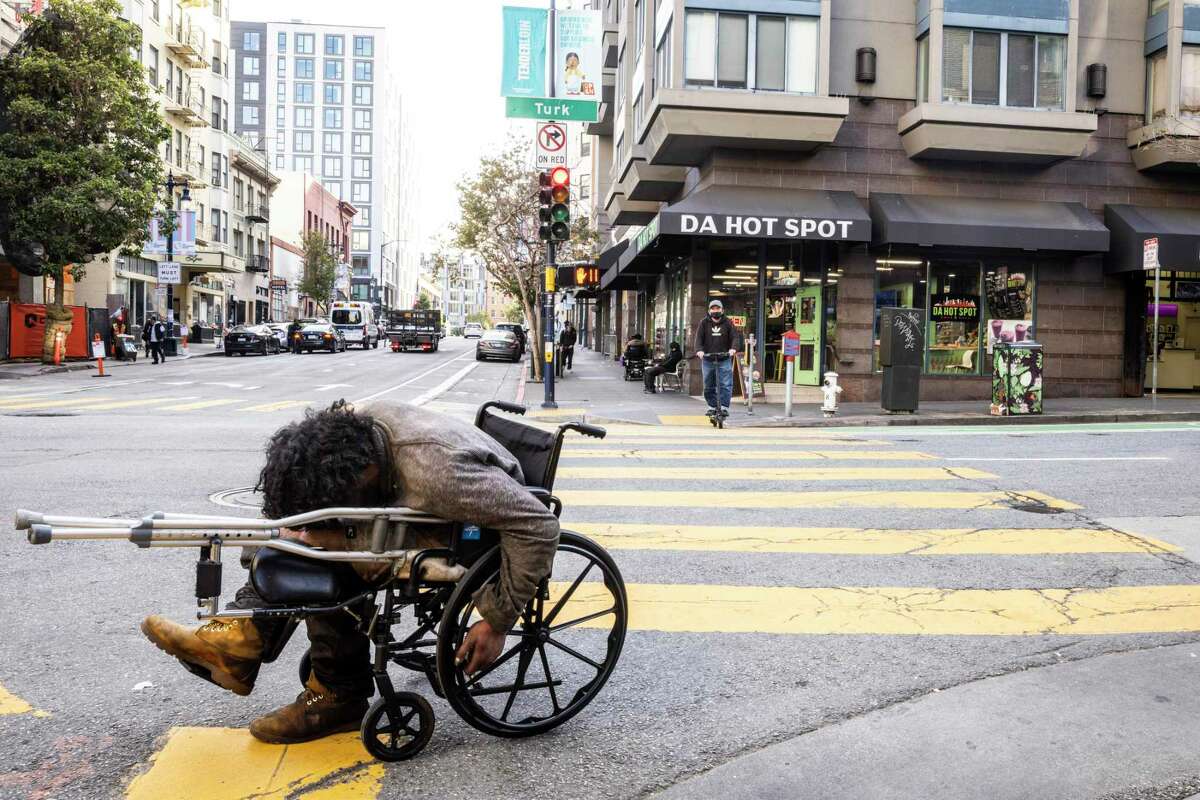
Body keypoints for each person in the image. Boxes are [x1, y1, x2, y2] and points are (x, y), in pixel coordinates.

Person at [140, 401, 560, 745]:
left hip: (467, 525)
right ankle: (238, 640)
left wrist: (497, 620)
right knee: (295, 539)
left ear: (365, 475)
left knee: (326, 555)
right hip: (419, 502)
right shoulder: (355, 427)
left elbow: (538, 523)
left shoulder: (440, 476)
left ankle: (335, 693)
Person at [695, 299, 742, 416]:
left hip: (724, 358)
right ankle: (712, 406)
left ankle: (724, 407)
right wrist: (699, 351)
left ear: (722, 310)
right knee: (708, 384)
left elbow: (735, 337)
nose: (715, 311)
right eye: (713, 309)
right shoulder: (704, 323)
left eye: (718, 308)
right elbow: (698, 339)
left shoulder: (728, 323)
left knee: (726, 384)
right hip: (708, 359)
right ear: (709, 310)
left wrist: (733, 349)